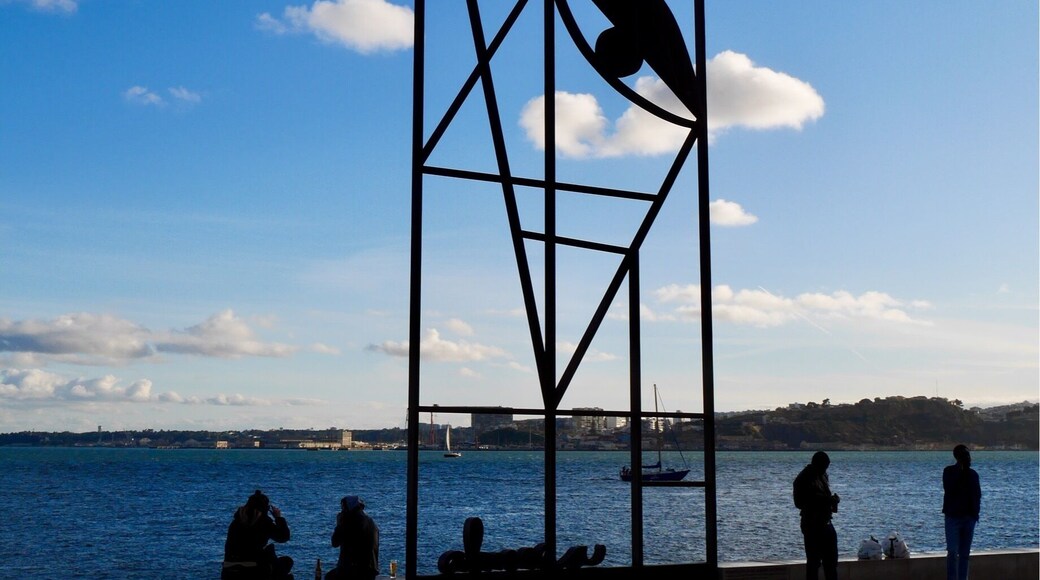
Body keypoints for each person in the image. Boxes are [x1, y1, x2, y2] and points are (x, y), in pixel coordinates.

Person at [222, 490, 293, 579]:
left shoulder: (235, 522)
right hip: (254, 569)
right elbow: (284, 537)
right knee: (286, 562)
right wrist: (278, 518)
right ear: (266, 509)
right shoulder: (264, 522)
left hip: (229, 569)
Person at [793, 451, 840, 580]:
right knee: (814, 563)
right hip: (812, 524)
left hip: (826, 522)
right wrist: (825, 501)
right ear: (817, 464)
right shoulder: (803, 479)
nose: (826, 470)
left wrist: (832, 501)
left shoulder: (823, 476)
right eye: (824, 466)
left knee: (831, 562)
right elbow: (799, 503)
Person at [943, 444, 981, 580]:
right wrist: (960, 470)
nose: (968, 458)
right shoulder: (948, 472)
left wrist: (975, 515)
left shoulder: (973, 475)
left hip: (968, 518)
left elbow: (977, 494)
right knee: (952, 552)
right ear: (958, 457)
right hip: (953, 517)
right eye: (965, 455)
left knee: (965, 554)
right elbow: (949, 489)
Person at [326, 495, 380, 580]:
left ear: (348, 508)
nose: (341, 511)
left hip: (354, 571)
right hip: (371, 571)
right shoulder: (371, 522)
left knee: (329, 577)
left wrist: (339, 523)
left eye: (343, 508)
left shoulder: (349, 521)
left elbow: (335, 542)